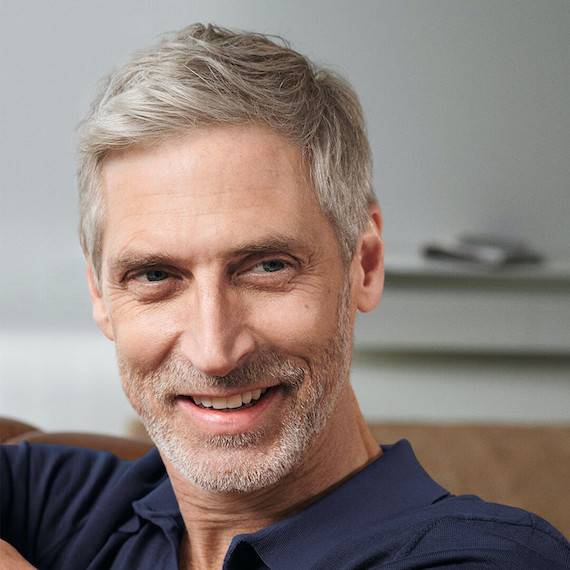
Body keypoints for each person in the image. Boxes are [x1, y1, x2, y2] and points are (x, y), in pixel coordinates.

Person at [1, 23, 568, 570]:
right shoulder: (58, 499)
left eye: (267, 266)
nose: (214, 351)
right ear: (100, 292)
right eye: (155, 276)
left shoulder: (490, 556)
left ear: (364, 265)